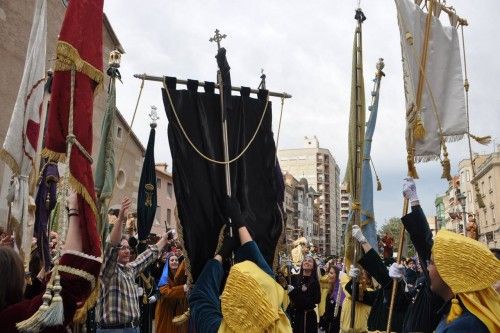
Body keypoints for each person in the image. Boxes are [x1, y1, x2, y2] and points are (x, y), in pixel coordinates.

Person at [0, 191, 102, 333]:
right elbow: (62, 293)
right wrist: (74, 211)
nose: (25, 277)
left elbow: (32, 294)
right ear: (11, 280)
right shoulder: (11, 318)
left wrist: (46, 270)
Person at [188, 198, 292, 333]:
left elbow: (201, 296)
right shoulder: (280, 325)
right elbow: (267, 278)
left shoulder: (217, 329)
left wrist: (221, 253)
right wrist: (240, 223)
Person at [96, 197, 170, 332]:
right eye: (122, 248)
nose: (127, 251)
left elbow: (148, 255)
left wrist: (164, 239)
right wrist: (121, 219)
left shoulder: (129, 269)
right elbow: (112, 246)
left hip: (133, 328)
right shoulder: (107, 269)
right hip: (113, 330)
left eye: (128, 249)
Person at [429, 230, 500, 332]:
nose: (428, 268)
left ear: (449, 273)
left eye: (432, 263)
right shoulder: (463, 319)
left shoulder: (463, 327)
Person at [350, 225, 409, 332]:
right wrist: (354, 280)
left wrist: (363, 241)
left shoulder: (400, 289)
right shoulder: (379, 293)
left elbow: (382, 274)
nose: (388, 274)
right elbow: (359, 296)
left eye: (391, 271)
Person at [154, 253, 189, 333]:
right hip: (166, 310)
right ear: (168, 263)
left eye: (176, 260)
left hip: (179, 310)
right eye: (172, 260)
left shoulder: (181, 276)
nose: (174, 262)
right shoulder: (164, 277)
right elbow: (166, 292)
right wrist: (182, 288)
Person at [288, 256, 321, 333]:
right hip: (296, 316)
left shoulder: (314, 283)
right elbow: (281, 281)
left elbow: (310, 302)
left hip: (307, 318)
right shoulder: (295, 278)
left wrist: (293, 293)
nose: (306, 262)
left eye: (310, 261)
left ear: (313, 267)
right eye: (305, 260)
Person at [318, 264, 344, 333]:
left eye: (331, 273)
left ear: (338, 276)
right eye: (329, 272)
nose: (328, 275)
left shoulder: (341, 293)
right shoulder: (330, 290)